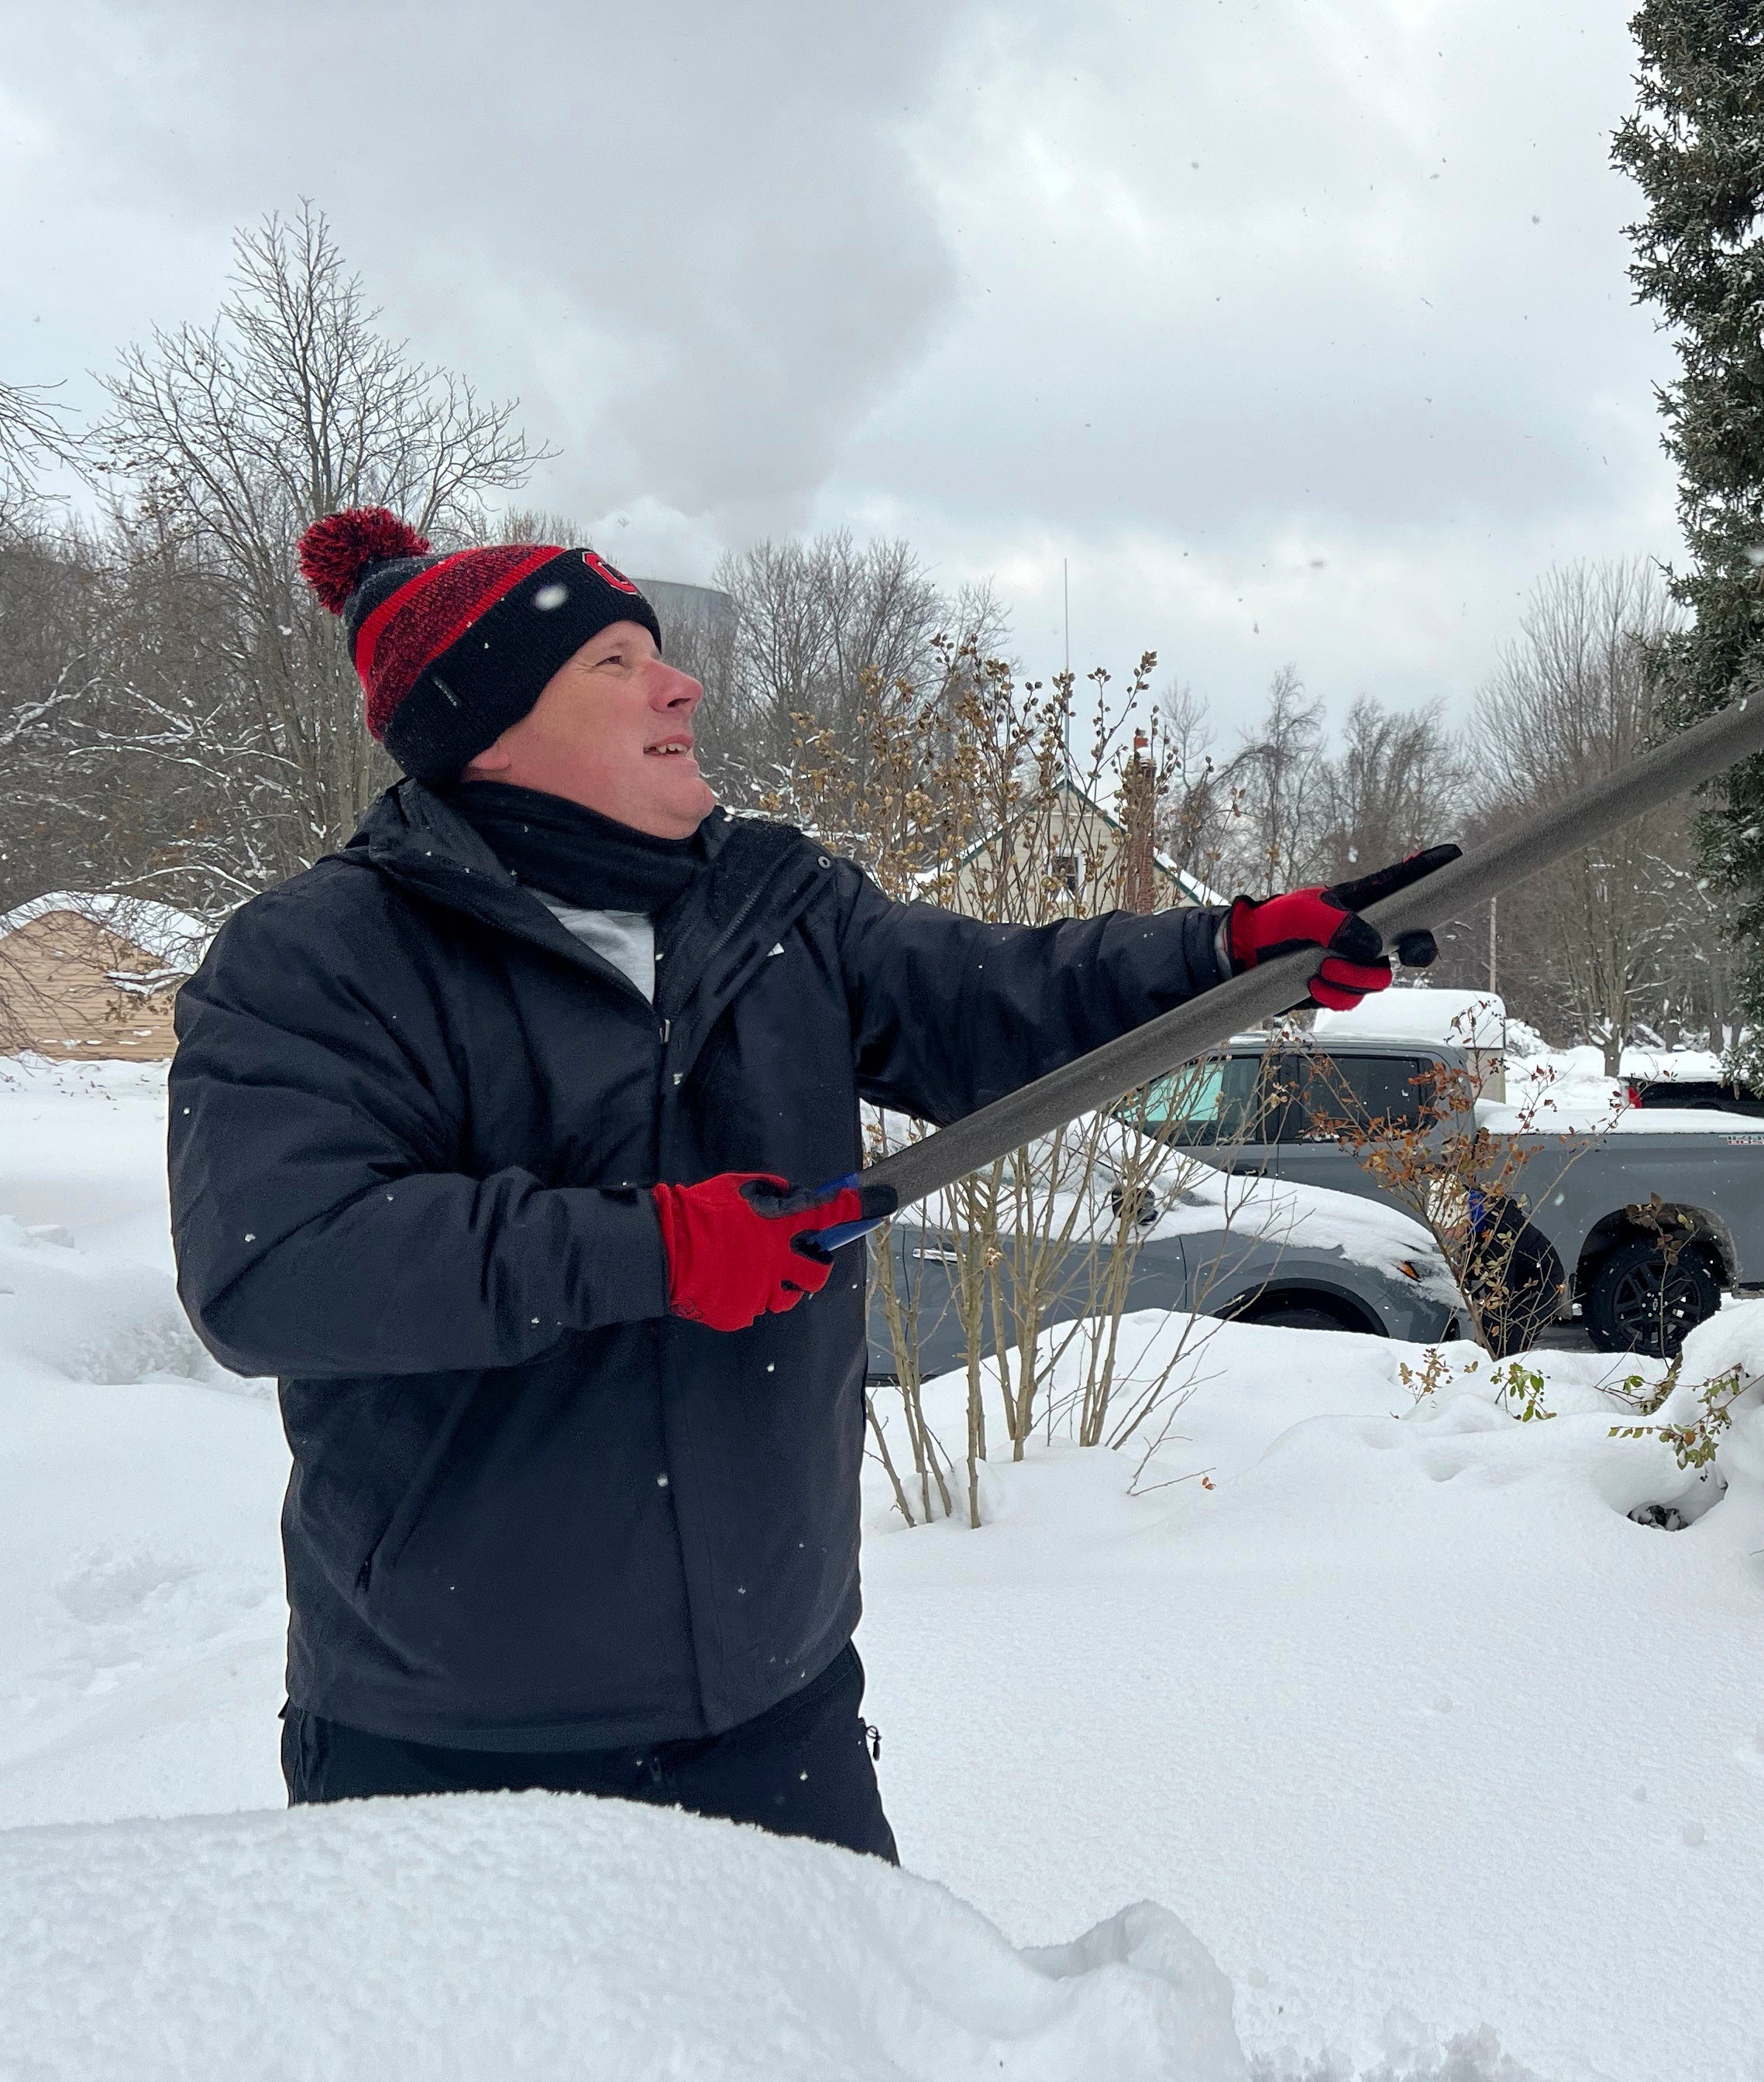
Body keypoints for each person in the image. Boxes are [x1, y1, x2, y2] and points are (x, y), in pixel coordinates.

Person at [167, 508, 1448, 1860]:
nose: (681, 684)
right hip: (454, 1740)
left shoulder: (775, 908)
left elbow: (989, 1006)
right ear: (487, 725)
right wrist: (654, 1251)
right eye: (615, 664)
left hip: (776, 1714)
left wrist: (1226, 954)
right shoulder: (322, 956)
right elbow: (280, 1264)